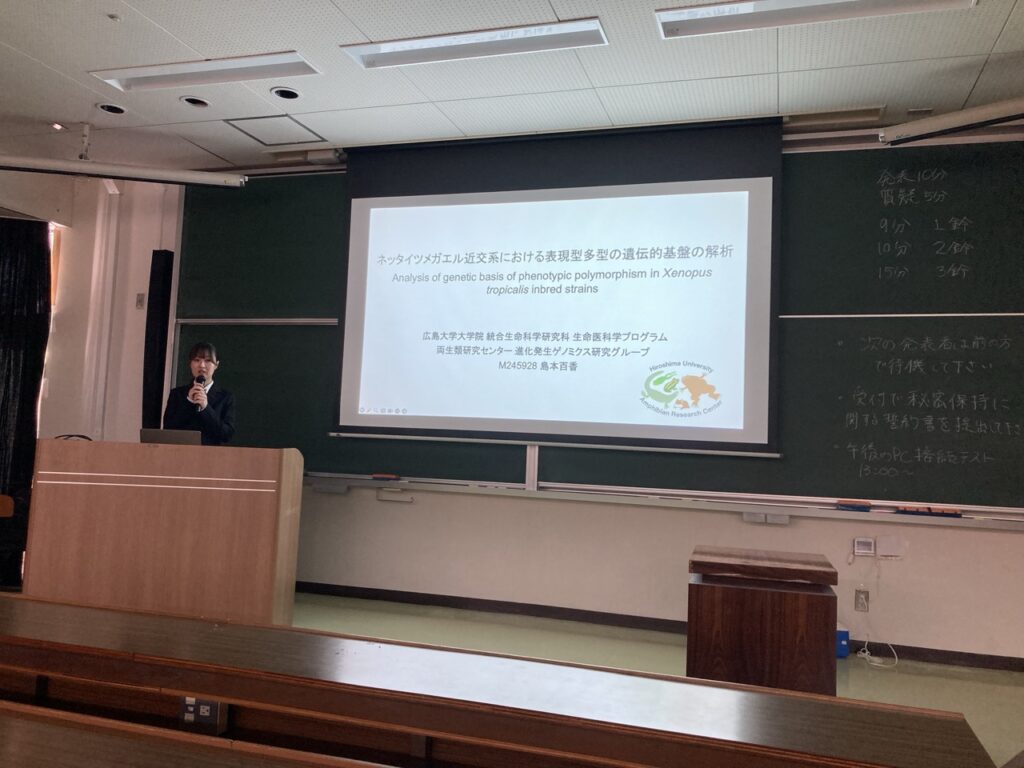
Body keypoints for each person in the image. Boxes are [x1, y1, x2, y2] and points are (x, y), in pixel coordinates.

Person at [162, 341, 235, 446]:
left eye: (208, 360)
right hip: (180, 452)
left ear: (216, 365)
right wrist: (188, 402)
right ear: (190, 363)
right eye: (197, 360)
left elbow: (226, 434)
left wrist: (206, 408)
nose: (202, 365)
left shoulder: (225, 397)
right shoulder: (177, 394)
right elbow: (168, 429)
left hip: (212, 454)